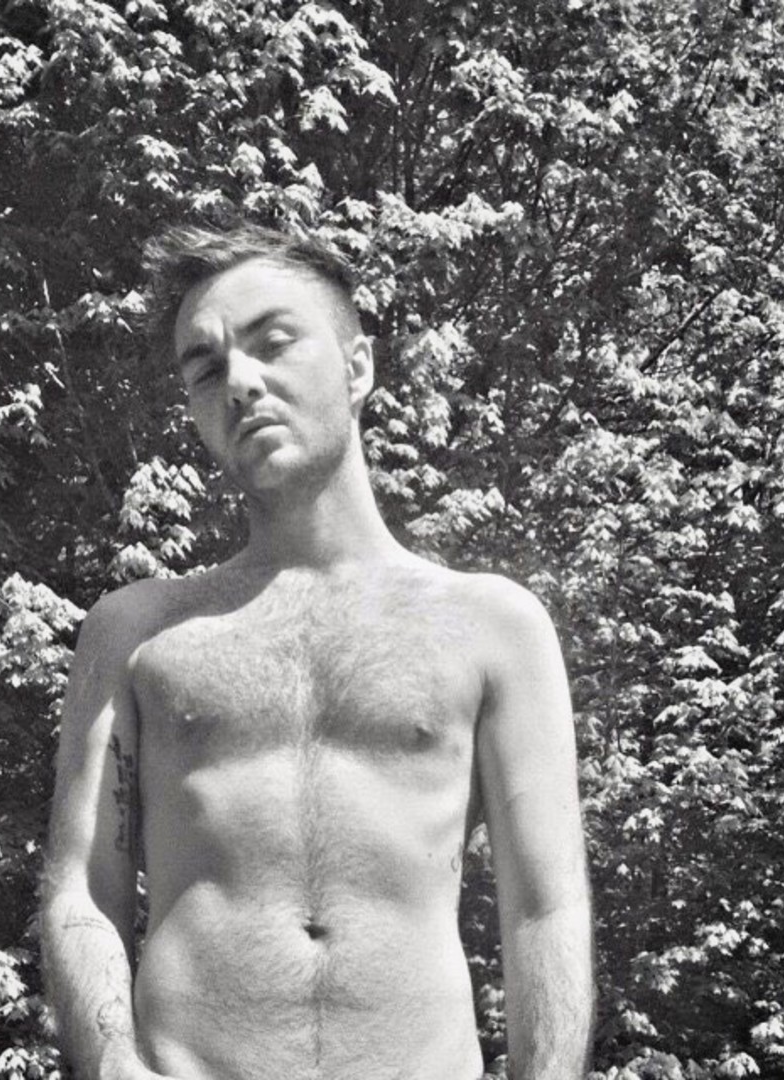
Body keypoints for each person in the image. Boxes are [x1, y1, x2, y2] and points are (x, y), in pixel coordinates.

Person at [40, 223, 594, 1080]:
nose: (240, 382)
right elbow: (82, 889)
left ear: (358, 366)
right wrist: (114, 1066)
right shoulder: (137, 632)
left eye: (273, 343)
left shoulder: (493, 625)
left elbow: (545, 908)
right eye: (205, 369)